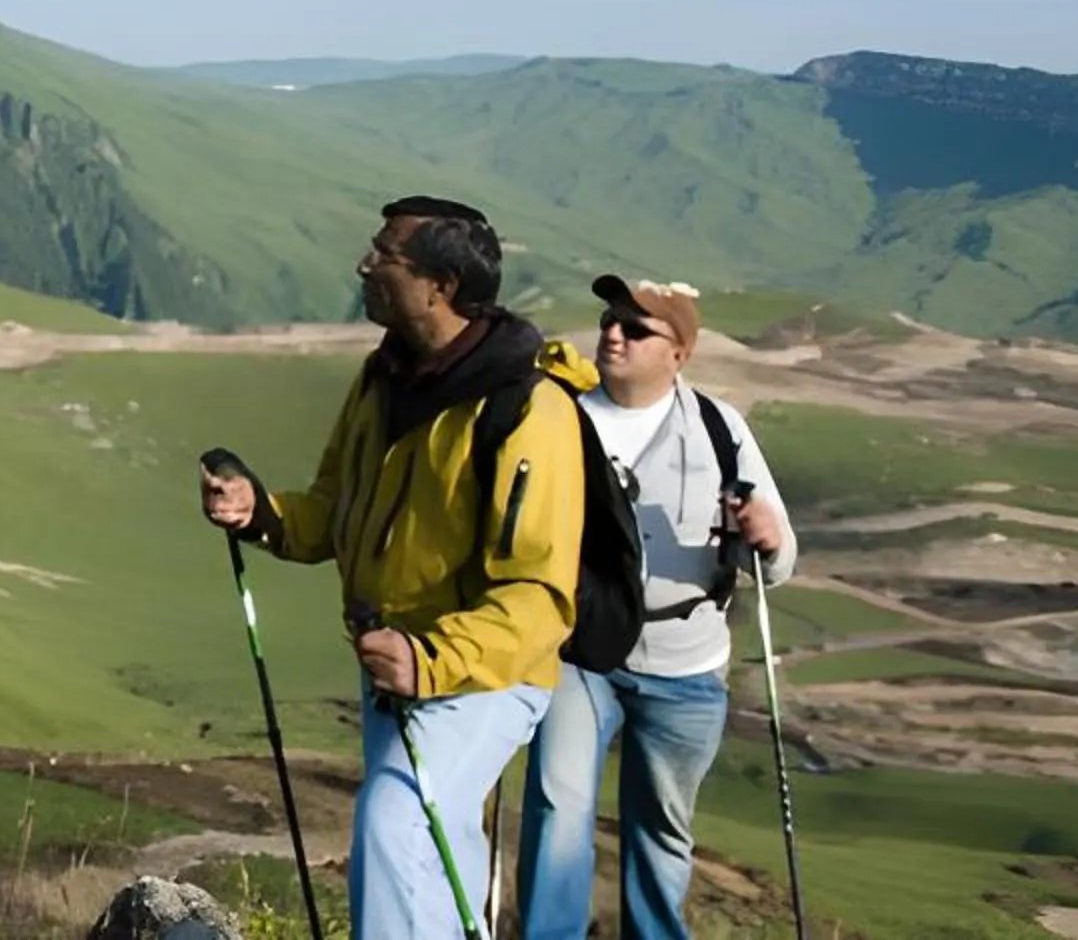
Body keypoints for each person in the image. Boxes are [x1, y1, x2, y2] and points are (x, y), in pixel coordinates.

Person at [199, 195, 599, 938]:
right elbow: (338, 507)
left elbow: (540, 593)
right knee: (435, 850)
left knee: (397, 824)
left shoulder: (527, 407)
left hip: (482, 674)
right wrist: (261, 514)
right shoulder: (383, 376)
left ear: (440, 285)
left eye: (385, 254)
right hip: (394, 663)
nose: (364, 265)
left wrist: (432, 659)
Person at [515, 274, 797, 940]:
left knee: (663, 830)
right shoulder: (559, 419)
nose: (613, 334)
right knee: (558, 806)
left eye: (636, 329)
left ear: (679, 353)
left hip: (687, 663)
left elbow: (779, 561)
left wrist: (767, 536)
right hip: (578, 649)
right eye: (609, 322)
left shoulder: (720, 430)